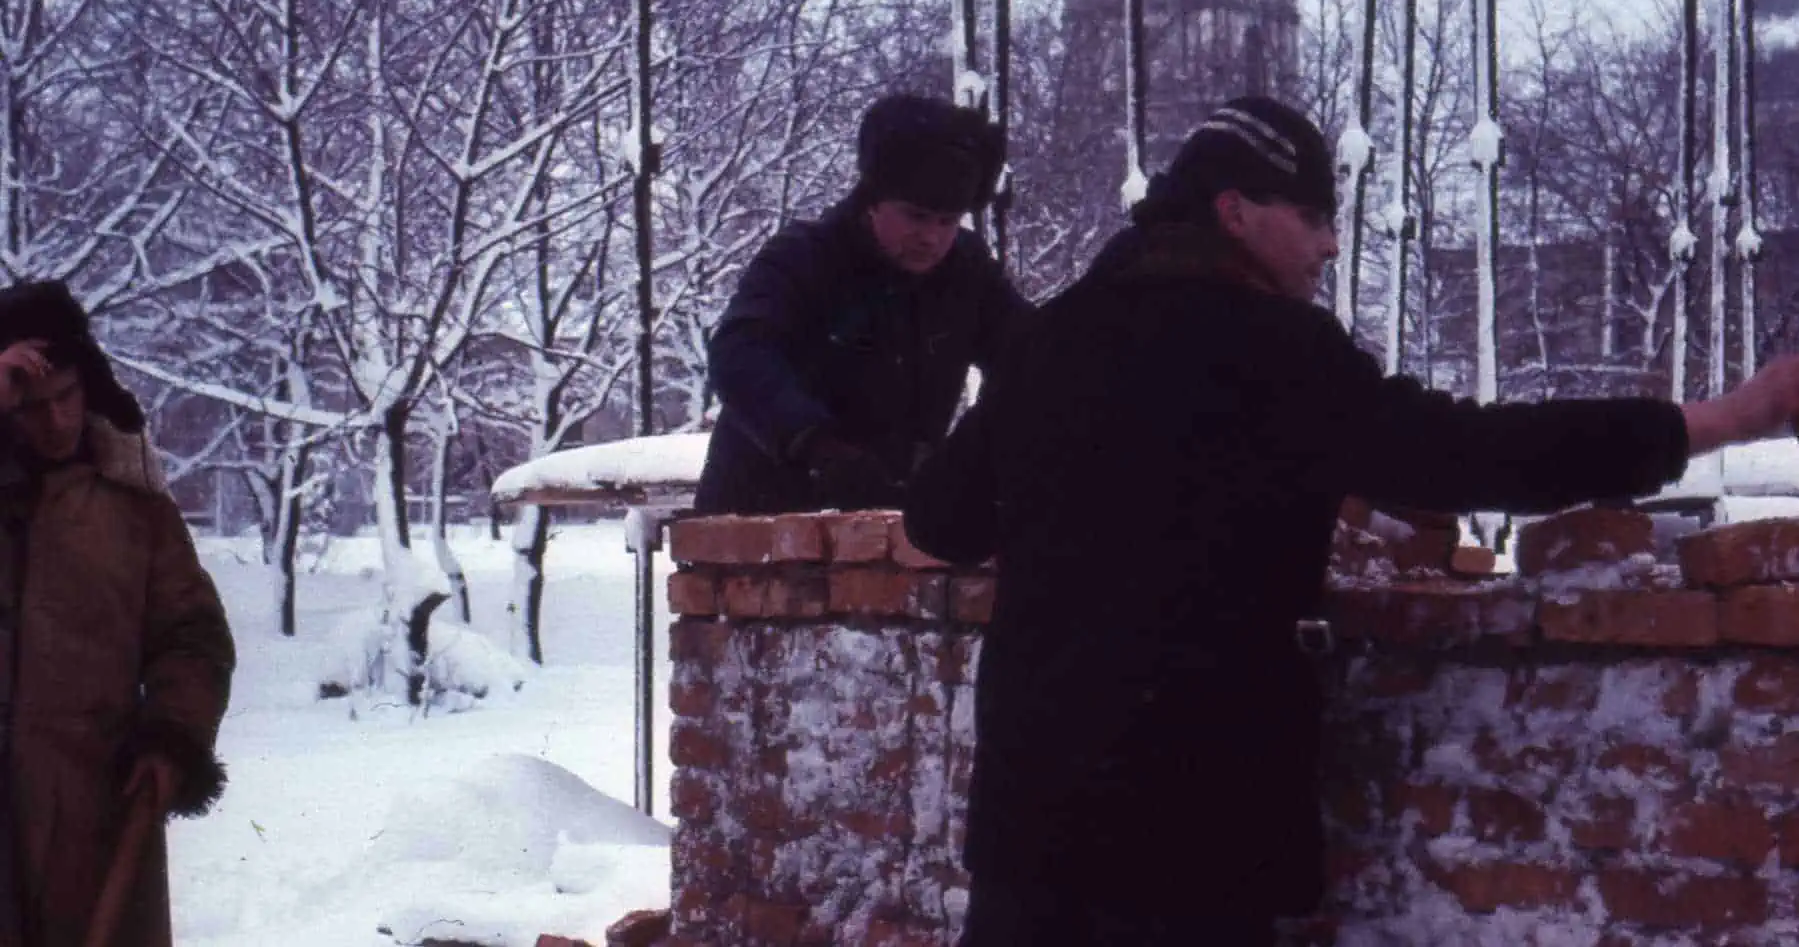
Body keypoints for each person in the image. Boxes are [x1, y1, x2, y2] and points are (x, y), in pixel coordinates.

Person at [902, 95, 1799, 946]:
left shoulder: (1052, 341)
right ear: (1236, 212)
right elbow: (1468, 454)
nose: (1330, 245)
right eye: (1315, 218)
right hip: (1183, 829)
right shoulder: (1272, 349)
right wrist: (1723, 418)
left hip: (1029, 826)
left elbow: (941, 517)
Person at [0, 280, 236, 947]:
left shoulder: (134, 508)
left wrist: (171, 736)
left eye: (66, 397)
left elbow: (192, 638)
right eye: (30, 405)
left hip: (89, 813)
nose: (55, 421)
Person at [694, 92, 1031, 516]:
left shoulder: (967, 272)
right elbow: (739, 357)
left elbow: (1031, 356)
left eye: (948, 221)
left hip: (891, 518)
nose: (931, 237)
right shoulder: (805, 258)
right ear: (872, 202)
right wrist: (815, 445)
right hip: (761, 517)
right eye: (916, 216)